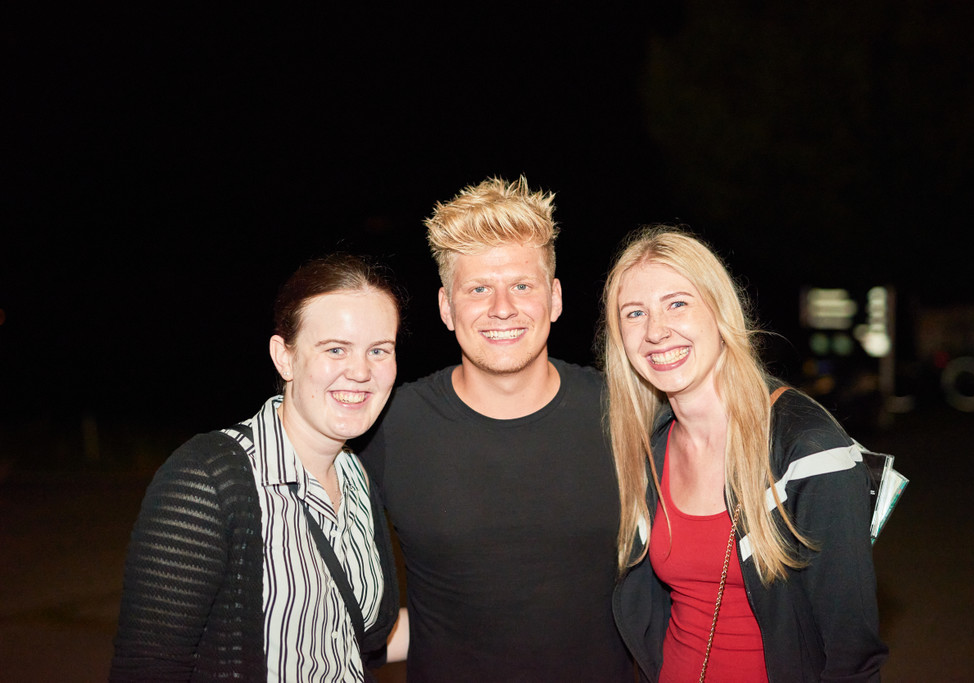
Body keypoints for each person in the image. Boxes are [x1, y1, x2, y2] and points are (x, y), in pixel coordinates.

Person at [357, 177, 633, 682]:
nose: (502, 307)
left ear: (554, 298)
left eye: (522, 286)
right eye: (479, 288)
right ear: (446, 307)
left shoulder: (623, 414)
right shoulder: (388, 426)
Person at [602, 226, 888, 682]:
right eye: (635, 313)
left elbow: (852, 657)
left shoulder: (807, 449)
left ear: (719, 311)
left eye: (677, 303)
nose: (656, 331)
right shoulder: (648, 448)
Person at [110, 253, 406, 681]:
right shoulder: (210, 478)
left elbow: (342, 640)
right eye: (335, 349)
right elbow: (148, 667)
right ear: (284, 357)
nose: (361, 371)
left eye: (379, 350)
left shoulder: (357, 479)